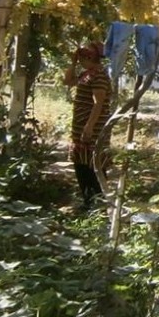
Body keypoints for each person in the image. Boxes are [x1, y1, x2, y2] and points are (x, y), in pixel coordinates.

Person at [63, 41, 113, 210]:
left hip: (92, 129)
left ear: (90, 57)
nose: (80, 59)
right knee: (81, 164)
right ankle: (88, 202)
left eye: (83, 56)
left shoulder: (98, 75)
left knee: (94, 165)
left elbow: (98, 103)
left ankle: (98, 203)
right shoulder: (87, 74)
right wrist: (73, 63)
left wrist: (89, 126)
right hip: (80, 127)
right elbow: (68, 81)